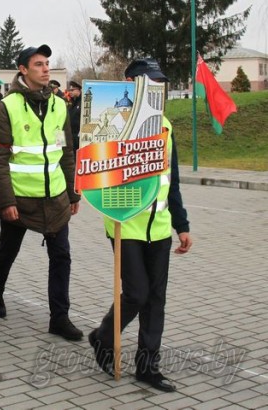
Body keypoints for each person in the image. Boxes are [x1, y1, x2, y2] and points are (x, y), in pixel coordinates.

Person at [88, 58, 192, 393]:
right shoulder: (113, 122)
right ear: (130, 82)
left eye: (160, 82)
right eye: (150, 81)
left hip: (159, 227)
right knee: (137, 293)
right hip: (125, 223)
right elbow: (94, 167)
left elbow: (171, 180)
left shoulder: (164, 126)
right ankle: (104, 336)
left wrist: (182, 224)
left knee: (155, 299)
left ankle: (148, 367)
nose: (156, 87)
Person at [0, 45, 83, 342]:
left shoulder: (59, 105)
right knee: (8, 249)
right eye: (38, 64)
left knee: (62, 256)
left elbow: (66, 153)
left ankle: (59, 317)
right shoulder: (7, 106)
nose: (45, 69)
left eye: (47, 64)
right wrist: (6, 201)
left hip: (55, 198)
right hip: (20, 198)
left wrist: (72, 193)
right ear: (23, 70)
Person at [67, 80, 82, 155]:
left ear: (78, 90)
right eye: (70, 90)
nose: (70, 92)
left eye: (72, 90)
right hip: (71, 135)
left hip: (79, 136)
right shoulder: (71, 102)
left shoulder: (82, 102)